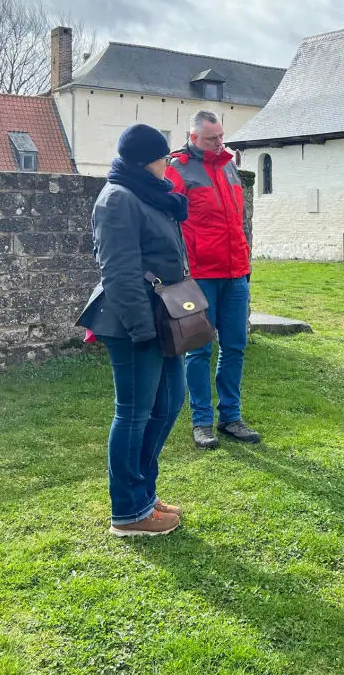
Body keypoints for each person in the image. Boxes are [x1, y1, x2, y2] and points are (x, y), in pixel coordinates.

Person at [77, 124, 188, 536]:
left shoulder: (147, 192)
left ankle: (143, 492)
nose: (169, 165)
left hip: (164, 317)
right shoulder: (118, 199)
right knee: (135, 413)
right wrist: (142, 331)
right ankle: (128, 512)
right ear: (148, 160)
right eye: (165, 158)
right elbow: (120, 273)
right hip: (134, 323)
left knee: (169, 403)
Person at [164, 110, 260, 448]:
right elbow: (167, 220)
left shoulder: (229, 165)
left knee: (235, 347)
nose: (219, 143)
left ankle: (231, 418)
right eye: (211, 139)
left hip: (236, 274)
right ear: (193, 138)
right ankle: (202, 421)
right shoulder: (176, 168)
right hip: (200, 276)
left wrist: (245, 266)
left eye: (220, 136)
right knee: (199, 350)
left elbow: (235, 221)